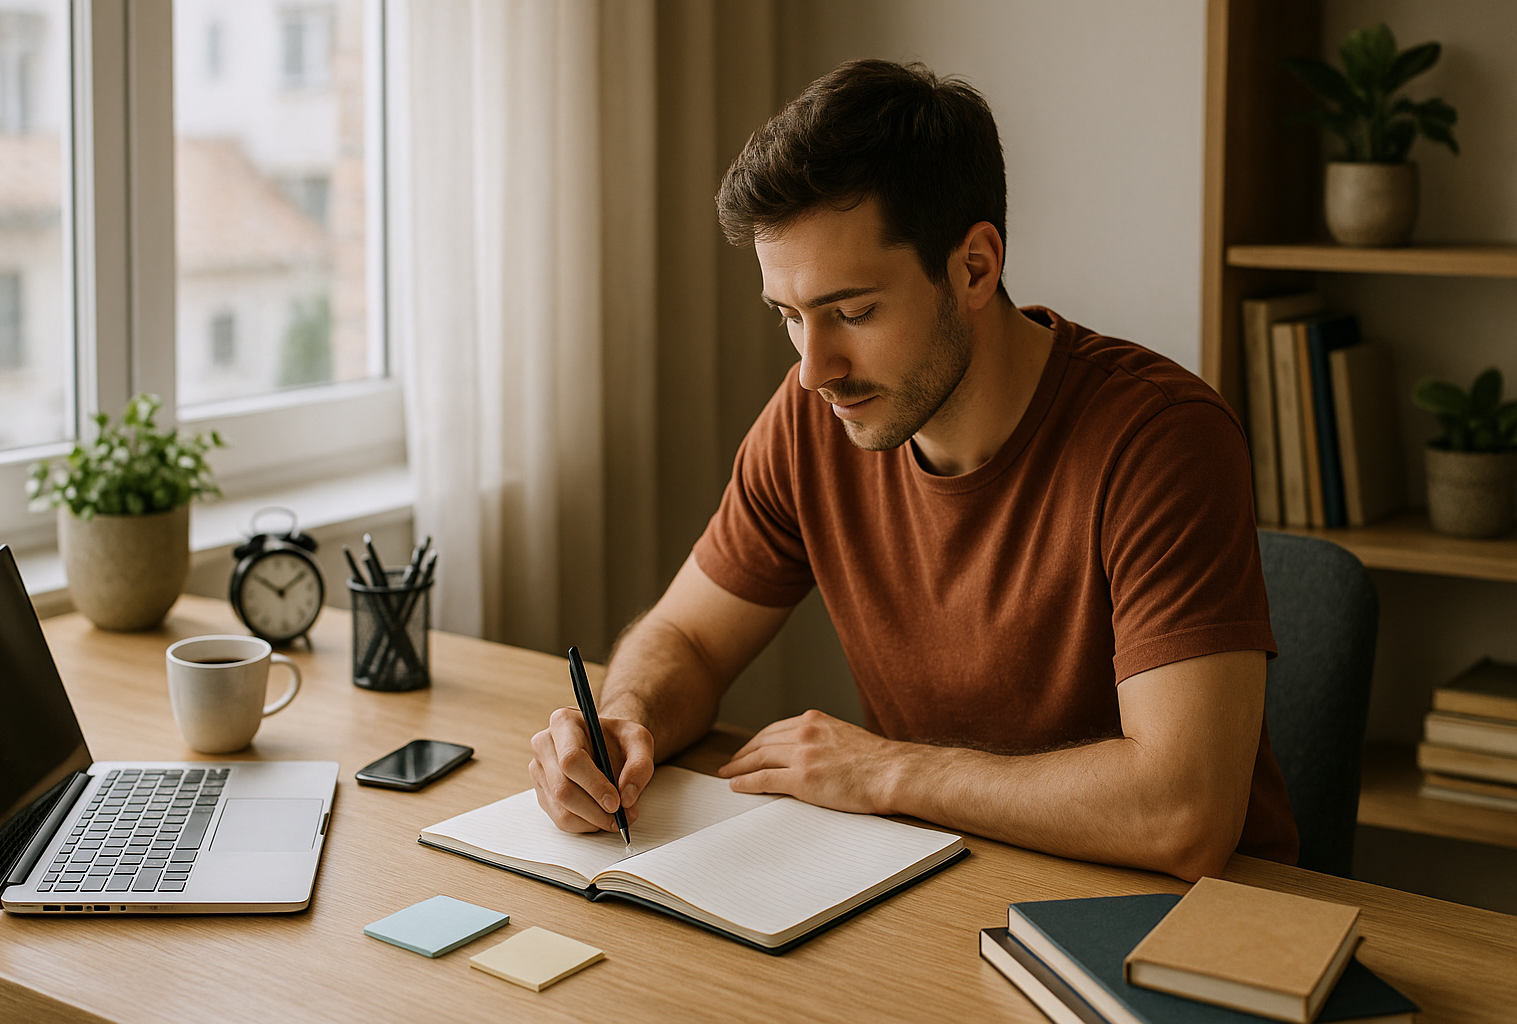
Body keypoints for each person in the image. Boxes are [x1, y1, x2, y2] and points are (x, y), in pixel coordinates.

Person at [529, 59, 1298, 881]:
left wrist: (886, 770)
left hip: (1178, 925)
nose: (813, 369)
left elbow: (1184, 813)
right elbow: (687, 637)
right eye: (790, 316)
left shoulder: (1161, 442)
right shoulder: (811, 422)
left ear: (975, 267)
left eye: (852, 312)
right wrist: (623, 719)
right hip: (944, 878)